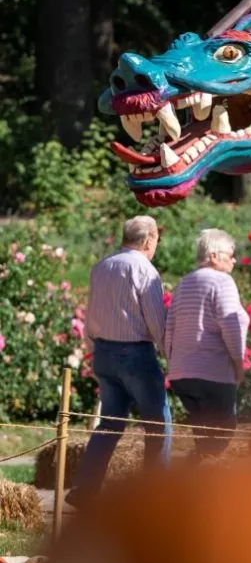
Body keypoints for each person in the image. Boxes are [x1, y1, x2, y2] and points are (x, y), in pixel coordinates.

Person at [70, 216, 172, 507]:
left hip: (103, 352)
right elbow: (156, 320)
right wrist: (168, 354)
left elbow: (91, 312)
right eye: (157, 241)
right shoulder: (144, 269)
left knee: (109, 423)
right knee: (157, 422)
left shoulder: (102, 266)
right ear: (149, 240)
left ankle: (86, 487)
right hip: (135, 353)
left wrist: (93, 348)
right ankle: (157, 490)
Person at [165, 229, 250, 460]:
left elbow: (169, 328)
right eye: (230, 254)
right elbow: (230, 324)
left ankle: (193, 484)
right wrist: (237, 363)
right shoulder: (222, 281)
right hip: (212, 372)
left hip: (182, 374)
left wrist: (172, 363)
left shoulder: (184, 283)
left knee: (203, 434)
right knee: (223, 429)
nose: (233, 260)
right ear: (214, 255)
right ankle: (198, 478)